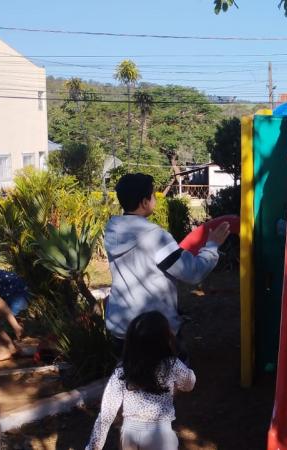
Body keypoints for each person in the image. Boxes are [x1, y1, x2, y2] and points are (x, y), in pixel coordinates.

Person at [105, 173, 231, 356]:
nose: (155, 197)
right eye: (153, 195)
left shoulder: (113, 230)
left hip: (121, 328)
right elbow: (192, 272)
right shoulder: (154, 236)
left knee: (131, 382)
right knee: (169, 381)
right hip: (153, 332)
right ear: (144, 202)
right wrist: (212, 246)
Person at [86, 311, 196, 450]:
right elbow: (189, 384)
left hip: (129, 433)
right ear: (165, 339)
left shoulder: (122, 371)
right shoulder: (172, 365)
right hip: (160, 434)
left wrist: (92, 447)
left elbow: (106, 415)